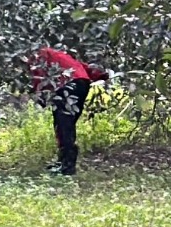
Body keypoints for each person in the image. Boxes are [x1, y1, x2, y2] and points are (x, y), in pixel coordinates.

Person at [27, 46, 109, 176]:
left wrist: (39, 95)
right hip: (82, 83)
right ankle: (64, 161)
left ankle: (67, 166)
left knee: (63, 123)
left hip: (67, 84)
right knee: (67, 123)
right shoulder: (57, 54)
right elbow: (79, 65)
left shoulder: (37, 55)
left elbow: (38, 75)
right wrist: (99, 75)